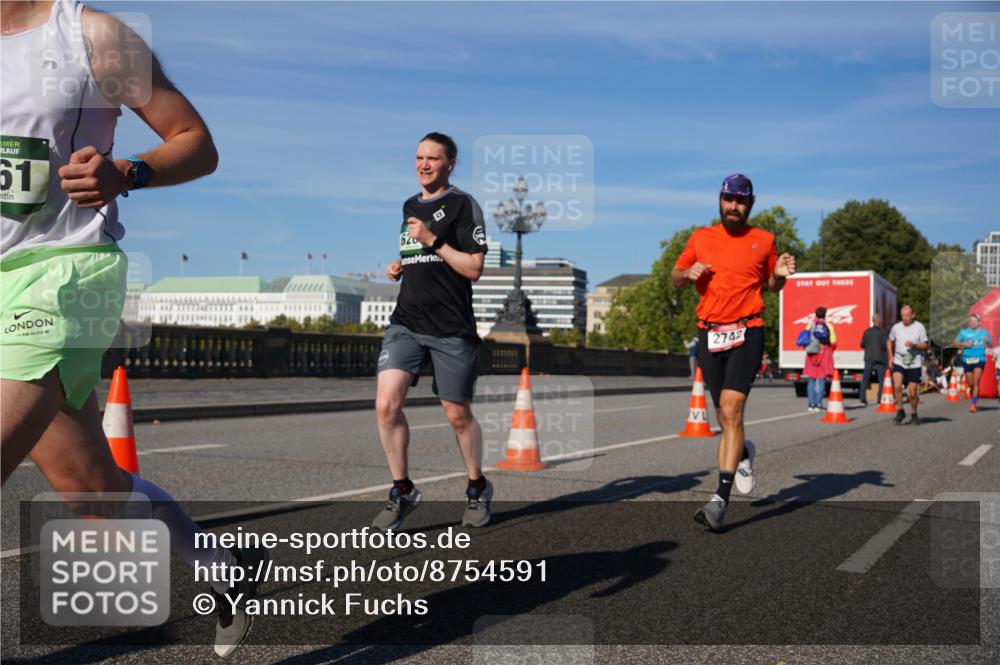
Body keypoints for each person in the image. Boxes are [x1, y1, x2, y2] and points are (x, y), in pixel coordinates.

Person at [0, 1, 265, 657]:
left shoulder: (93, 35)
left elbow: (195, 142)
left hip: (66, 272)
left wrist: (129, 172)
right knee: (93, 490)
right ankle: (222, 567)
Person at [373, 132, 490, 532]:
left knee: (457, 415)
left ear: (450, 164)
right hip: (406, 321)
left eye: (433, 159)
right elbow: (422, 253)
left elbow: (473, 268)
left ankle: (476, 485)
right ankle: (402, 490)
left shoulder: (463, 205)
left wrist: (432, 240)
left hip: (451, 327)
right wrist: (401, 263)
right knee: (386, 405)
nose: (424, 164)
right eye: (419, 157)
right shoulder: (409, 205)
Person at [672, 174, 796, 530]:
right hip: (710, 334)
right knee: (725, 419)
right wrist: (686, 273)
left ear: (750, 204)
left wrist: (782, 275)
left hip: (748, 329)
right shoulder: (701, 238)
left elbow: (773, 284)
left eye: (741, 201)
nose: (733, 206)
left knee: (731, 408)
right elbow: (676, 275)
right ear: (720, 200)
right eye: (728, 199)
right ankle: (743, 453)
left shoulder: (764, 239)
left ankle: (719, 501)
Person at [887, 305, 929, 425]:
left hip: (914, 362)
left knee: (912, 392)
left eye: (907, 315)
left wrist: (915, 345)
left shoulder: (920, 327)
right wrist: (891, 356)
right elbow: (889, 341)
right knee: (897, 386)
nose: (905, 318)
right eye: (902, 315)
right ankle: (900, 410)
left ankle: (914, 413)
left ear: (913, 315)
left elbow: (925, 345)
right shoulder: (896, 327)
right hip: (899, 361)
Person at [954, 313, 992, 412]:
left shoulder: (984, 333)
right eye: (970, 321)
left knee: (976, 381)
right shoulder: (964, 332)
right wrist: (964, 344)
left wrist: (988, 342)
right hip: (967, 359)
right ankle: (973, 393)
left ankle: (973, 404)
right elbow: (955, 342)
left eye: (974, 321)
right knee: (970, 383)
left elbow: (990, 344)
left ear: (979, 322)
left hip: (980, 358)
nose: (972, 323)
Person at [802, 307, 837, 412]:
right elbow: (833, 341)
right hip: (824, 353)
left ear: (815, 314)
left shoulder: (810, 325)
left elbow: (805, 339)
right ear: (825, 315)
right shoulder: (829, 326)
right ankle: (818, 404)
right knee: (821, 379)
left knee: (811, 379)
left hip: (812, 354)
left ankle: (810, 404)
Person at [859, 313, 888, 406]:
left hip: (869, 357)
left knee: (865, 378)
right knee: (882, 379)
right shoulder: (883, 333)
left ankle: (863, 398)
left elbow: (862, 344)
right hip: (880, 358)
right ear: (879, 321)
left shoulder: (867, 332)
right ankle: (880, 398)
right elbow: (885, 346)